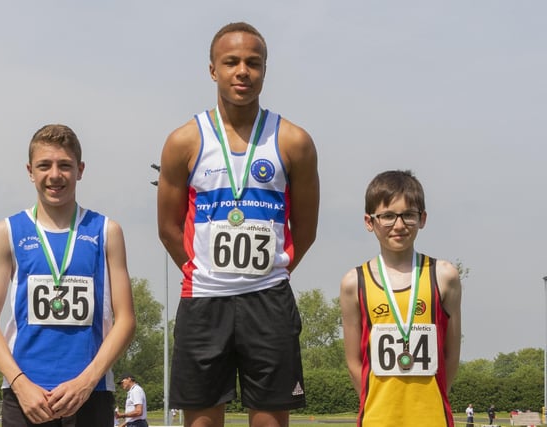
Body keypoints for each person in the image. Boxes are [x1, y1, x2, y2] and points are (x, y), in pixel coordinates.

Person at [157, 22, 319, 427]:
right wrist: (205, 272)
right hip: (204, 299)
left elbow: (306, 228)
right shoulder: (184, 142)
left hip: (268, 300)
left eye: (253, 63)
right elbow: (168, 227)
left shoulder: (293, 142)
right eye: (231, 62)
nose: (242, 71)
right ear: (213, 70)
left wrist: (267, 273)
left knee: (269, 419)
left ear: (265, 70)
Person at [0, 124, 136, 426]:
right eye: (44, 165)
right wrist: (20, 383)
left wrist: (86, 381)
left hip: (91, 392)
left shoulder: (107, 232)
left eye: (65, 165)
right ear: (30, 171)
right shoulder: (7, 232)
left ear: (80, 170)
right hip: (26, 395)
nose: (54, 175)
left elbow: (126, 319)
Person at [340, 170, 462, 427]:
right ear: (369, 221)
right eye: (387, 216)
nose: (398, 225)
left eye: (408, 215)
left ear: (422, 218)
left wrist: (430, 398)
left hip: (432, 417)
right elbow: (354, 361)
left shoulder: (444, 276)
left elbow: (451, 357)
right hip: (377, 417)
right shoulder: (354, 282)